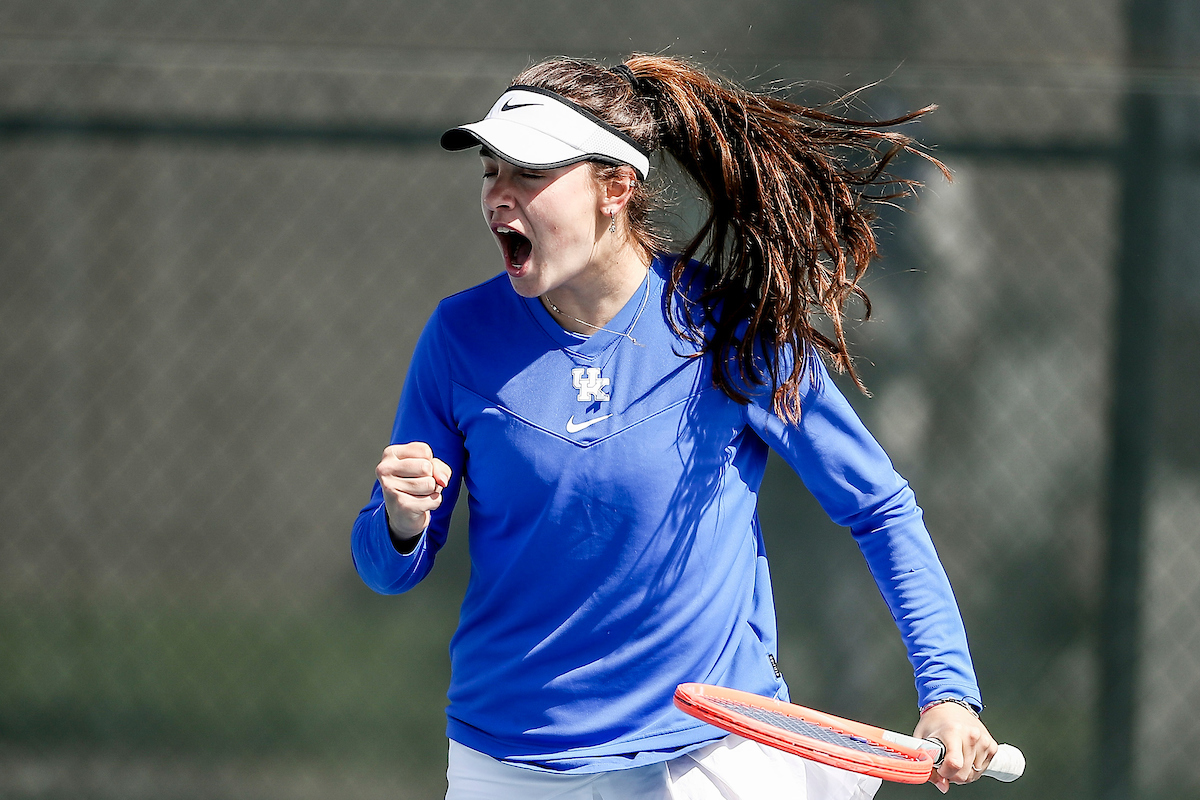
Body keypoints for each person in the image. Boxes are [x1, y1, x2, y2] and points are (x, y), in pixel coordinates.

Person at [351, 54, 998, 799]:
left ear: (616, 190)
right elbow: (385, 567)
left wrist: (947, 690)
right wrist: (401, 521)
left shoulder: (730, 328)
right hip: (506, 760)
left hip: (703, 756)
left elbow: (877, 507)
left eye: (529, 173)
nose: (500, 195)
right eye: (491, 173)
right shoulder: (458, 336)